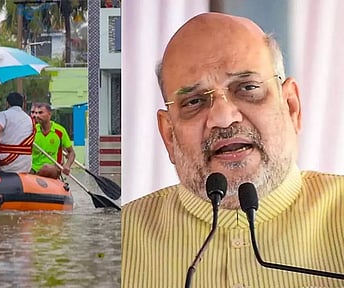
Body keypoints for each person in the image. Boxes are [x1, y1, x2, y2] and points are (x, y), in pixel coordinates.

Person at [121, 12, 344, 287]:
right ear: (168, 135)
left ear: (291, 107)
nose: (223, 118)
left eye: (248, 88)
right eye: (193, 102)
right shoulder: (119, 239)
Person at [0, 92, 35, 173]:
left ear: (7, 103)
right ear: (23, 104)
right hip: (26, 163)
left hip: (6, 163)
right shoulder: (29, 119)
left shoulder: (3, 115)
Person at [31, 102, 75, 179]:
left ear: (49, 114)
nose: (37, 116)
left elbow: (71, 153)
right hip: (33, 168)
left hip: (53, 168)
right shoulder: (32, 130)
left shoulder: (60, 131)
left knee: (46, 168)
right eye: (36, 113)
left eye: (41, 113)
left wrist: (67, 166)